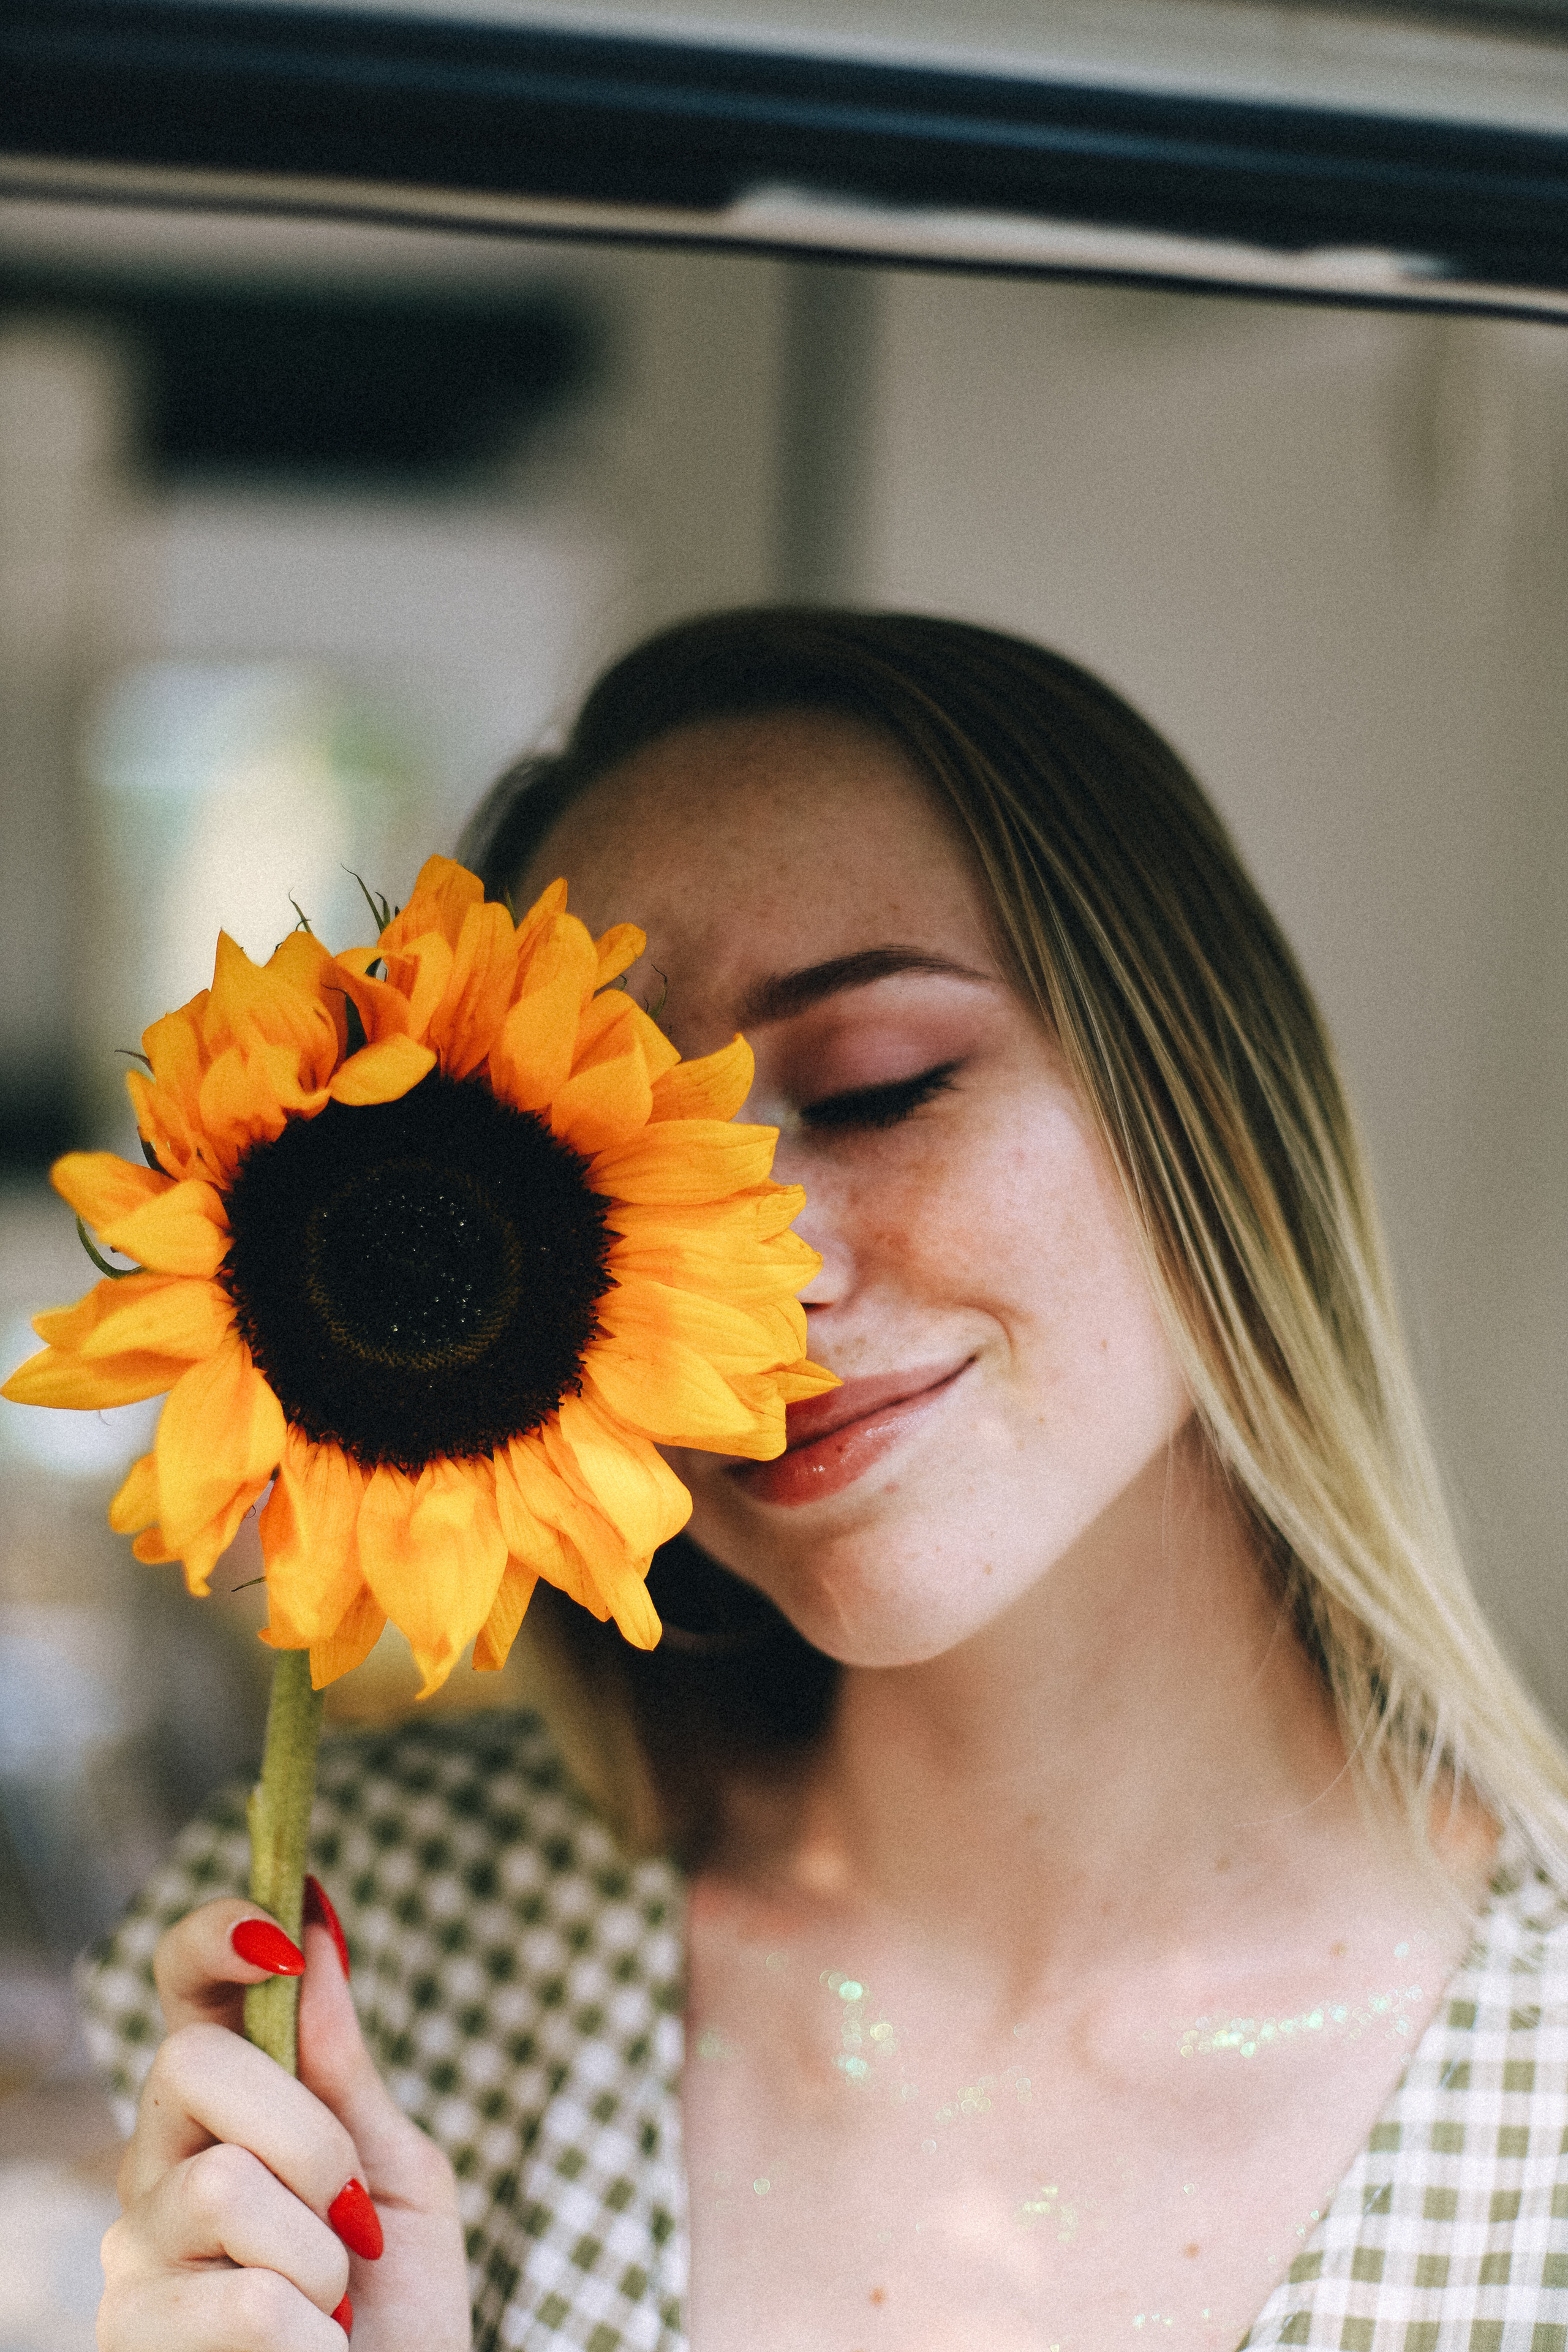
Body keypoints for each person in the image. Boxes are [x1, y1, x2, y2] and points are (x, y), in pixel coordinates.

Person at [83, 609, 1568, 2351]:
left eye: (877, 1087)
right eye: (618, 1179)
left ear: (1210, 1114)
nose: (749, 1291)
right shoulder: (359, 1984)